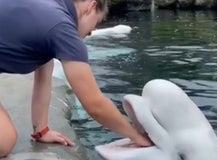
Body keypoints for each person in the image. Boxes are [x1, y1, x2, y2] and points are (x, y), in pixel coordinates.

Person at [0, 0, 152, 157]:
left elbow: (44, 77)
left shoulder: (49, 9)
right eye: (96, 22)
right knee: (4, 141)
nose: (92, 31)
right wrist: (136, 136)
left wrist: (41, 131)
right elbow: (94, 104)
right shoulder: (62, 28)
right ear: (91, 5)